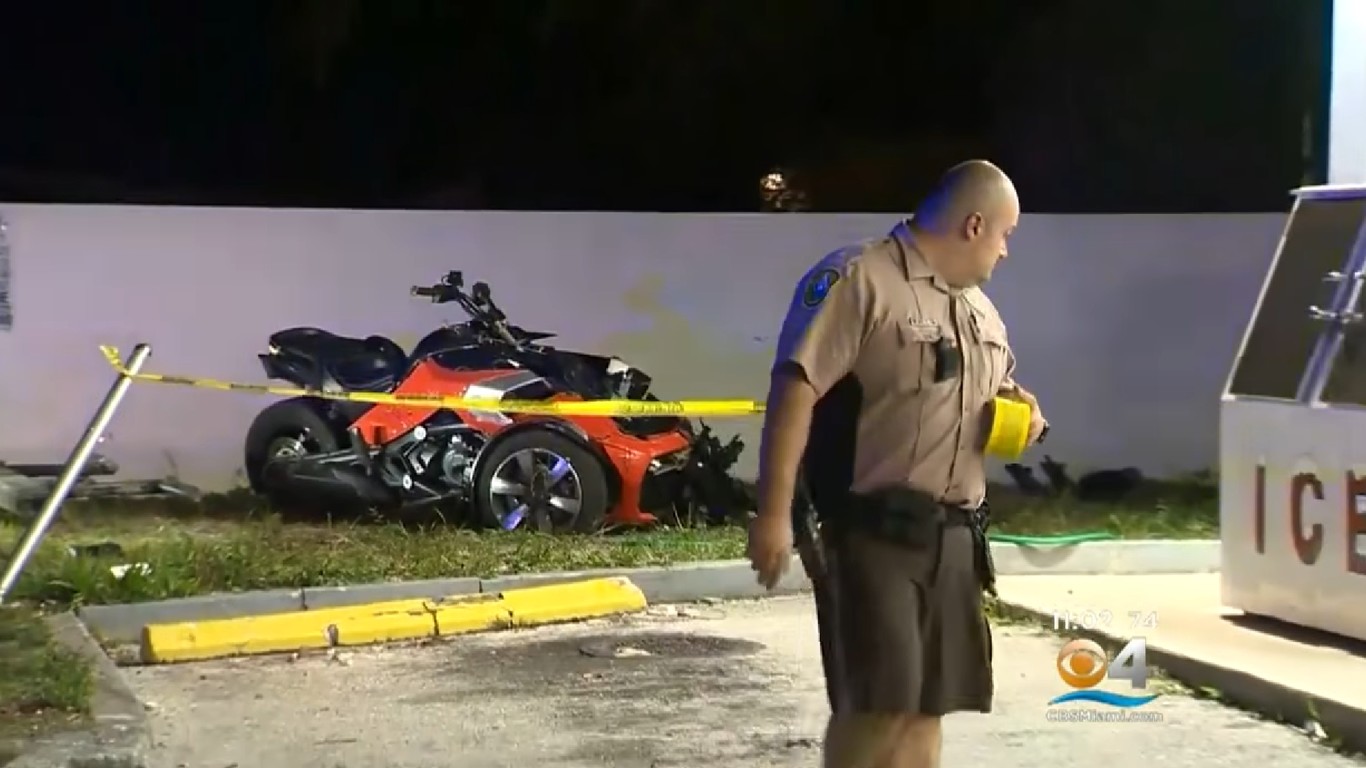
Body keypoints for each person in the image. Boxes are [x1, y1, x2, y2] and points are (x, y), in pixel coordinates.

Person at [747, 159, 1047, 768]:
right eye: (1005, 234)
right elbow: (796, 387)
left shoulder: (980, 312)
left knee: (927, 711)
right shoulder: (861, 278)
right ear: (973, 225)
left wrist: (1024, 415)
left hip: (954, 536)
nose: (1006, 250)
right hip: (870, 531)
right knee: (876, 709)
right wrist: (773, 515)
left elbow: (993, 397)